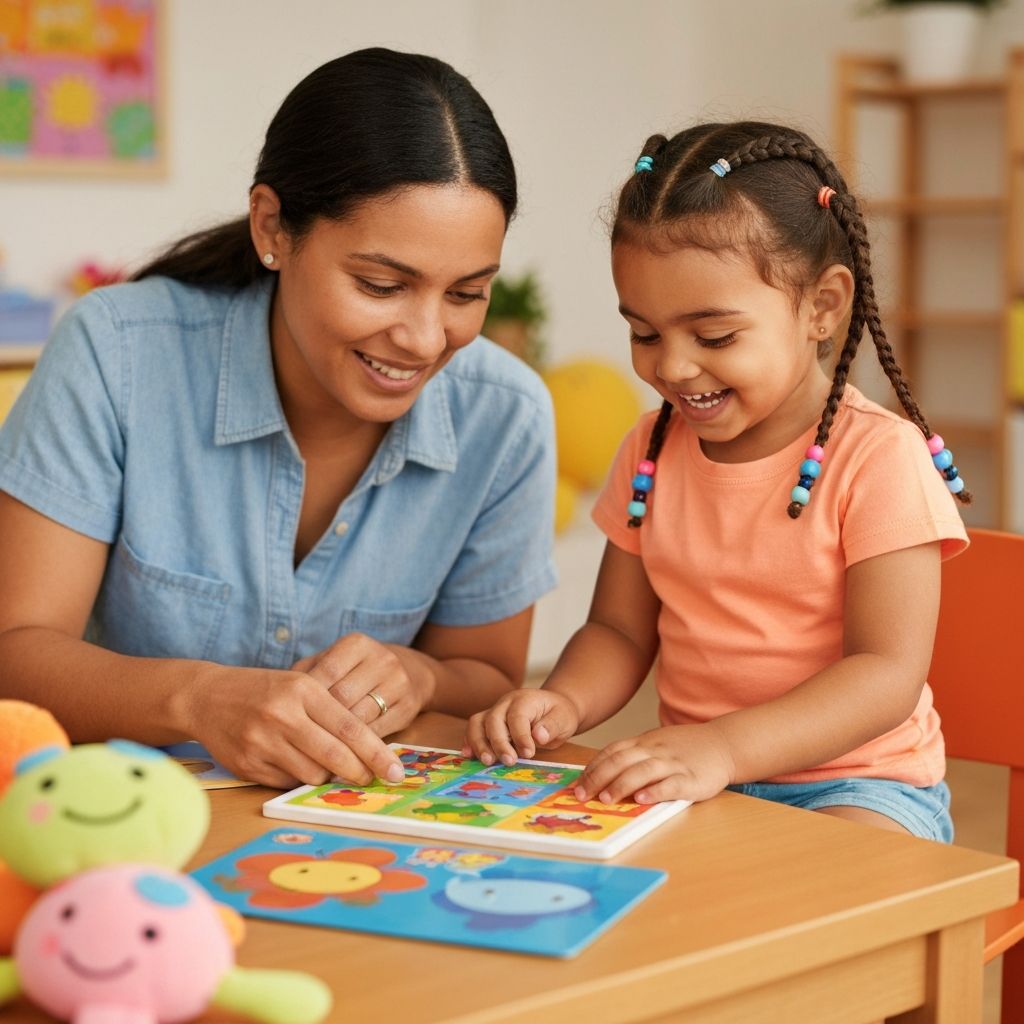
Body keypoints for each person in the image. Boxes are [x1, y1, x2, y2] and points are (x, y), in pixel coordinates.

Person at [0, 48, 556, 790]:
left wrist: (418, 676)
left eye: (466, 294)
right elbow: (16, 654)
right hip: (118, 826)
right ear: (272, 227)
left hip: (351, 846)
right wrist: (199, 699)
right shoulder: (116, 352)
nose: (426, 339)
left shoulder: (507, 415)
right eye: (381, 284)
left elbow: (486, 676)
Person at [465, 121, 969, 842]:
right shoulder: (652, 448)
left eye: (714, 336)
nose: (672, 367)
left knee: (816, 904)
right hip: (708, 782)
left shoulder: (880, 459)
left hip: (863, 784)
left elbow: (885, 674)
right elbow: (617, 629)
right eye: (644, 333)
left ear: (823, 307)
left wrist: (724, 746)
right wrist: (562, 703)